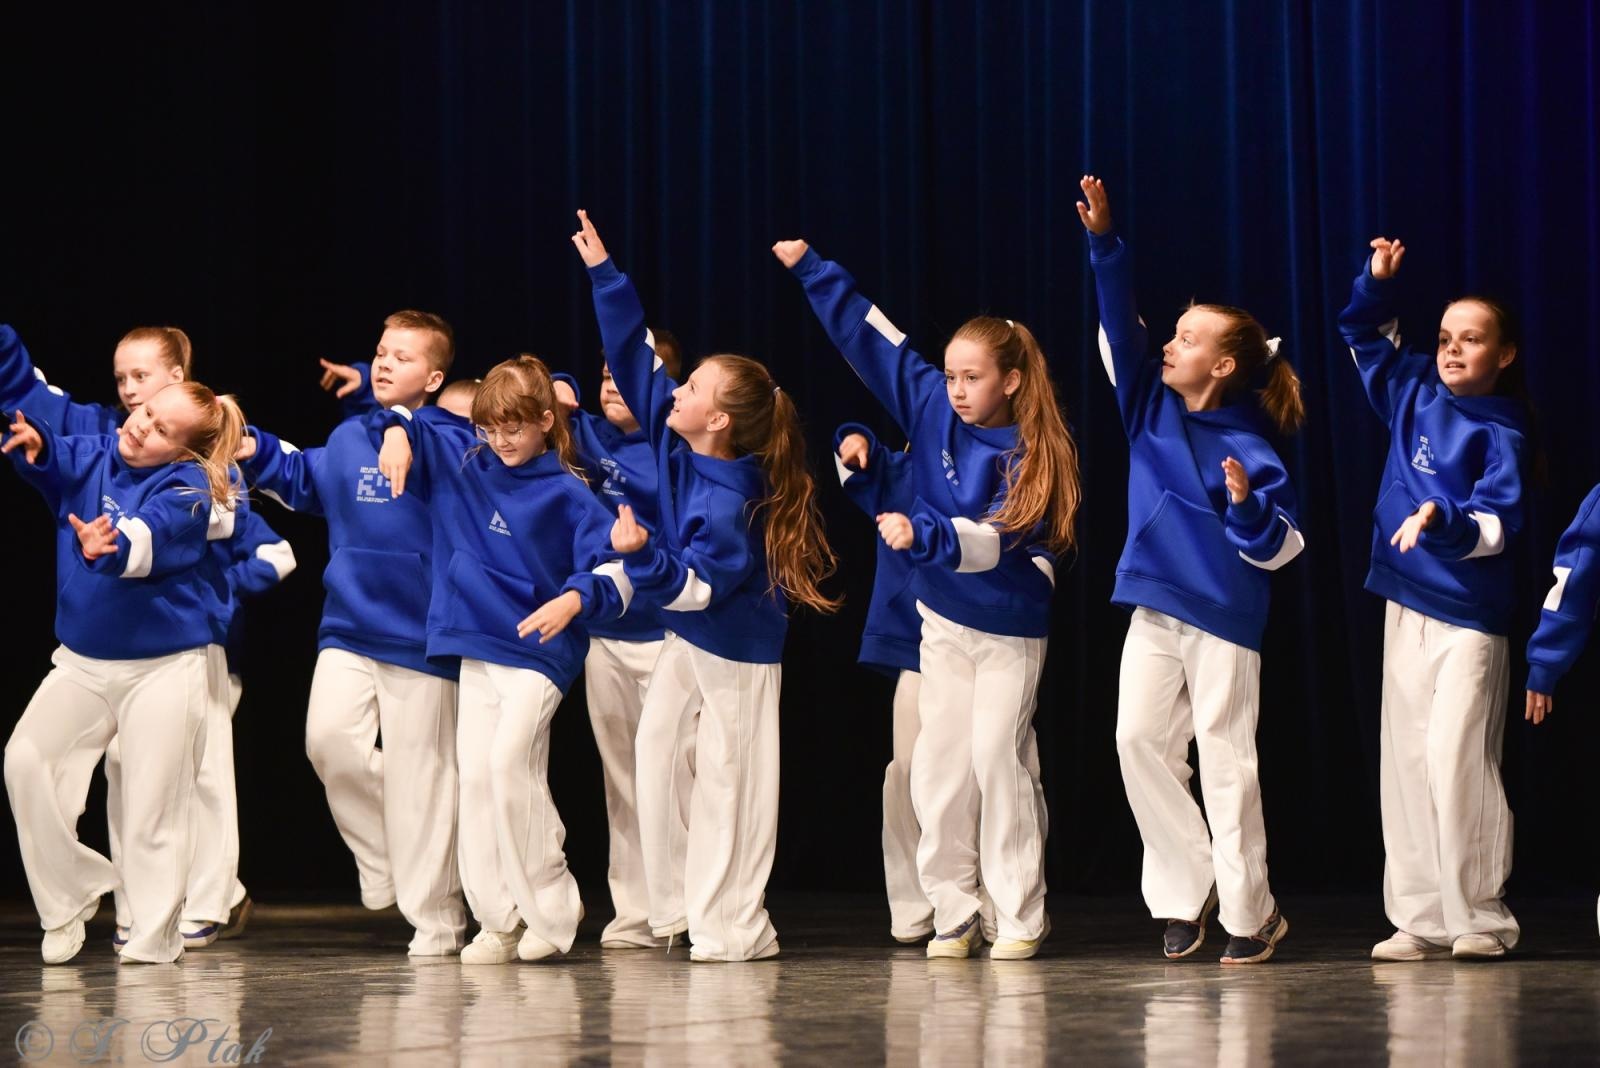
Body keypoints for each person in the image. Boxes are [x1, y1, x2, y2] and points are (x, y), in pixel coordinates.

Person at [775, 234, 1078, 960]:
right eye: (948, 377)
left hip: (1007, 626)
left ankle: (1018, 912)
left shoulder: (1032, 452)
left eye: (971, 378)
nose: (955, 390)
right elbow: (871, 335)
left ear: (1008, 380)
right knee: (938, 764)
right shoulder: (932, 406)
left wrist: (925, 533)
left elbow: (995, 541)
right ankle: (954, 907)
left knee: (996, 760)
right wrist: (813, 269)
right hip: (940, 621)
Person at [577, 210, 838, 962]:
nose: (674, 391)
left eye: (689, 385)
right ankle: (680, 907)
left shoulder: (731, 498)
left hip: (734, 645)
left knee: (732, 780)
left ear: (717, 419)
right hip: (690, 637)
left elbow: (696, 588)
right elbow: (634, 356)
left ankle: (736, 924)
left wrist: (640, 555)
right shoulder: (678, 435)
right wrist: (606, 274)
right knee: (657, 756)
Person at [1078, 175, 1303, 964]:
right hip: (1152, 605)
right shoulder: (1148, 404)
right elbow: (1120, 324)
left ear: (1225, 365)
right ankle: (1183, 892)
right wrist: (1105, 243)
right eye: (1171, 332)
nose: (1170, 343)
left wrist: (1246, 508)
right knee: (1137, 739)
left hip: (1222, 618)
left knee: (1225, 755)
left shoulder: (1254, 447)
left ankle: (1253, 913)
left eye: (1188, 338)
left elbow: (1283, 547)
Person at [238, 310, 468, 956]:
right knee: (328, 742)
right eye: (380, 352)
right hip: (349, 625)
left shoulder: (454, 437)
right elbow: (305, 481)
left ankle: (438, 916)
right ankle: (384, 858)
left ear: (435, 377)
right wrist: (253, 449)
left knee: (422, 774)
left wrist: (408, 424)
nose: (387, 362)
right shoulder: (347, 438)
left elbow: (452, 432)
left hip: (423, 637)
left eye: (403, 356)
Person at [3, 382, 243, 963]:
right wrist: (37, 447)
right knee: (25, 762)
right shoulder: (101, 450)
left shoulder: (190, 488)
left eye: (161, 429)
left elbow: (144, 535)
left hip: (163, 668)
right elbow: (60, 456)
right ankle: (67, 900)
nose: (141, 425)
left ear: (183, 452)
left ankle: (153, 943)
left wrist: (100, 546)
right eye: (145, 412)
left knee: (151, 810)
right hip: (85, 660)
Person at [1338, 235, 1530, 961]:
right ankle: (1419, 916)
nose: (1452, 351)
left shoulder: (1503, 430)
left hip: (1469, 620)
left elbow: (1495, 529)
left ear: (1503, 355)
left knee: (1456, 759)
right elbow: (1362, 334)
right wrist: (1377, 281)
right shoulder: (1413, 388)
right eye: (1446, 337)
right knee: (1408, 759)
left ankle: (1480, 915)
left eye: (1471, 340)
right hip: (1403, 602)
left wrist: (1437, 519)